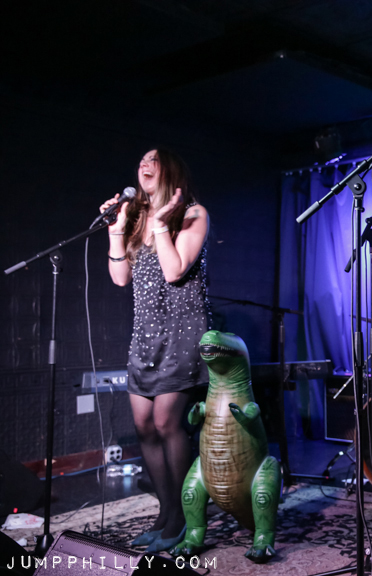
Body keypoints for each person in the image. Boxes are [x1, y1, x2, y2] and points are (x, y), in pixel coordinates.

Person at [100, 149, 211, 553]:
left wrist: (162, 225)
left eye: (153, 160)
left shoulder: (193, 214)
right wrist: (117, 230)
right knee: (144, 425)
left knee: (167, 422)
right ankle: (165, 512)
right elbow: (119, 277)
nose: (143, 165)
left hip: (182, 333)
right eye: (140, 161)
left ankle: (183, 517)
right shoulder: (136, 216)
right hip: (145, 335)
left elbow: (174, 269)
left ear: (170, 170)